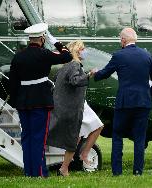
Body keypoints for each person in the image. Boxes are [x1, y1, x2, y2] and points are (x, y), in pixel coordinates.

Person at [91, 27, 152, 176]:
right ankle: (137, 171)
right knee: (139, 138)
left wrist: (94, 74)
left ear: (123, 40)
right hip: (143, 103)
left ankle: (117, 172)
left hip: (124, 102)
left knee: (117, 136)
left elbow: (104, 74)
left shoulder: (119, 55)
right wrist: (150, 94)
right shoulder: (146, 55)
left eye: (119, 39)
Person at [9, 23, 72, 177]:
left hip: (23, 102)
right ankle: (38, 172)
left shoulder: (18, 56)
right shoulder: (44, 54)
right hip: (40, 102)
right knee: (38, 138)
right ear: (42, 39)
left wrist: (17, 101)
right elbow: (67, 56)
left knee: (27, 138)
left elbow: (13, 83)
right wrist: (56, 42)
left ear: (30, 39)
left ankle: (29, 172)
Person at [47, 40, 103, 176]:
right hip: (75, 106)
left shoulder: (65, 66)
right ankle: (80, 156)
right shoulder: (74, 65)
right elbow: (75, 81)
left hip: (71, 105)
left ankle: (66, 166)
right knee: (96, 127)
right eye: (82, 48)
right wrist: (89, 75)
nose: (85, 51)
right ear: (77, 51)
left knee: (77, 136)